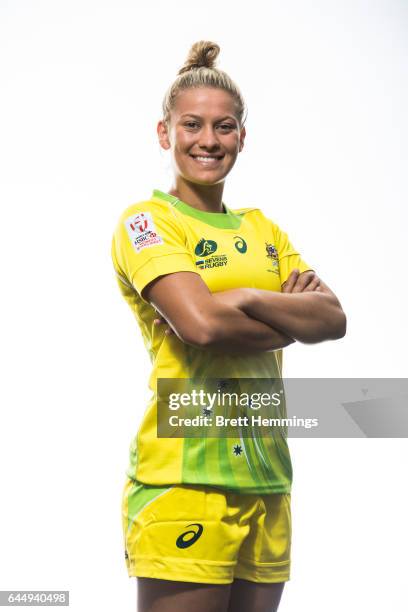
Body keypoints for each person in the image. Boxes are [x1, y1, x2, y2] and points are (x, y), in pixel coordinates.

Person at [111, 40, 346, 612]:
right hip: (184, 479)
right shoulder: (147, 223)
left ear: (243, 135)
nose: (208, 141)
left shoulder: (265, 229)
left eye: (225, 126)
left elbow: (333, 317)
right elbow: (203, 327)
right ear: (165, 134)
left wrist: (236, 300)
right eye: (192, 125)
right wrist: (274, 307)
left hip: (267, 478)